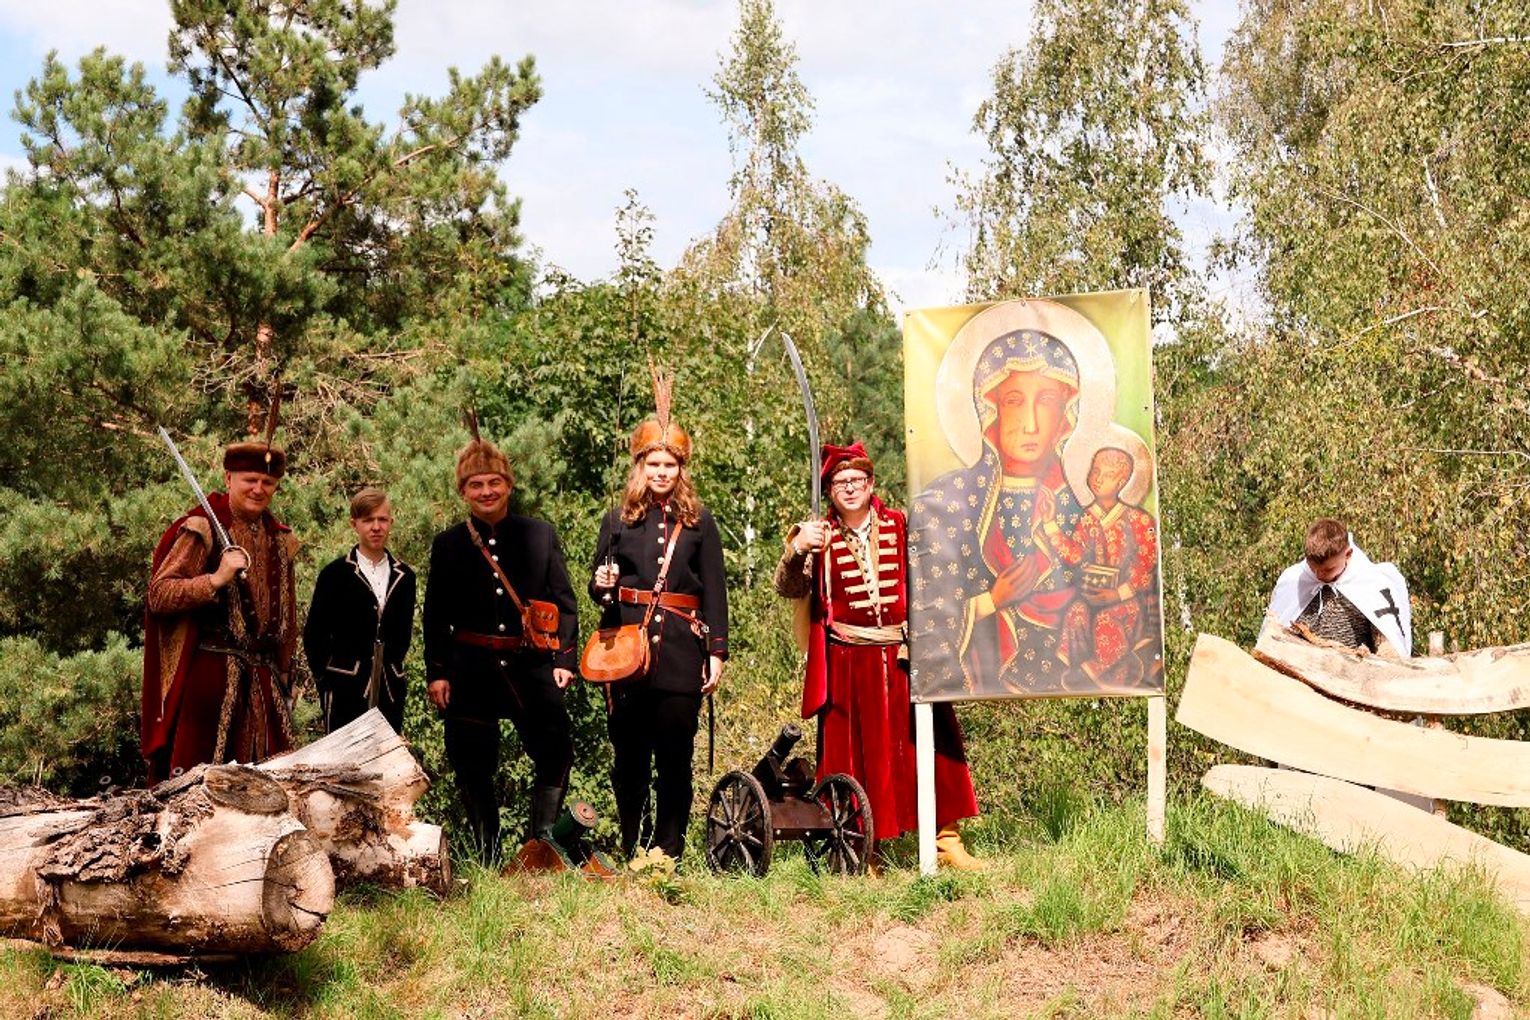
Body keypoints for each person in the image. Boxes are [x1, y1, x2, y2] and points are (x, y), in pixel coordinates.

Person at [775, 442, 983, 869]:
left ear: (871, 484)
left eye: (857, 480)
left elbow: (938, 571)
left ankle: (946, 840)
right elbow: (789, 588)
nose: (850, 488)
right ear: (830, 491)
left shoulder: (900, 524)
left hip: (907, 655)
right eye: (840, 483)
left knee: (931, 744)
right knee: (858, 757)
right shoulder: (818, 536)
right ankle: (864, 848)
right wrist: (797, 549)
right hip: (850, 661)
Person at [422, 432, 578, 863]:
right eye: (476, 485)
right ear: (463, 492)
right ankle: (488, 857)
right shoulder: (448, 544)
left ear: (508, 485)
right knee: (471, 762)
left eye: (494, 482)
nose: (486, 491)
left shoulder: (539, 535)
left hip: (531, 664)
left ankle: (540, 848)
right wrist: (438, 672)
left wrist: (564, 659)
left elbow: (564, 601)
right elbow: (435, 614)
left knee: (556, 750)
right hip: (470, 668)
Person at [911, 330, 1087, 696]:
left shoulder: (1082, 506)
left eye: (1046, 400)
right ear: (989, 409)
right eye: (1014, 400)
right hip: (977, 695)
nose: (1031, 424)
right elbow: (928, 616)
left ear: (1066, 413)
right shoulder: (946, 504)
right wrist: (991, 601)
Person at [591, 407, 727, 863]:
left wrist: (716, 652)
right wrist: (602, 583)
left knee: (674, 758)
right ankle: (634, 846)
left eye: (669, 464)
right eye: (654, 464)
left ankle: (667, 853)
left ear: (680, 469)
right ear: (640, 466)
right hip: (625, 652)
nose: (661, 472)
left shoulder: (700, 522)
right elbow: (599, 588)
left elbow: (715, 591)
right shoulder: (616, 520)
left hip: (682, 653)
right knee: (629, 758)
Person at [143, 439, 297, 784]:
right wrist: (215, 579)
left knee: (275, 787)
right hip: (210, 683)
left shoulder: (281, 539)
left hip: (265, 684)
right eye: (250, 480)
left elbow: (288, 619)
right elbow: (160, 595)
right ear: (229, 479)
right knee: (199, 790)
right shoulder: (202, 529)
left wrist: (287, 674)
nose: (258, 489)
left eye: (267, 482)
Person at [1042, 447, 1162, 690]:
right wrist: (1050, 524)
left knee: (1107, 619)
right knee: (1076, 612)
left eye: (1107, 475)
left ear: (1121, 482)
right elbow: (1075, 555)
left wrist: (1117, 594)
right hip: (1094, 596)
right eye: (1095, 471)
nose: (1098, 478)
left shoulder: (1139, 520)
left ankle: (1096, 671)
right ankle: (1067, 669)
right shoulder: (1088, 519)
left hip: (1129, 601)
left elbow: (1146, 565)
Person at [303, 487, 417, 734]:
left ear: (391, 522)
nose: (376, 527)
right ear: (354, 524)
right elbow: (314, 635)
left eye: (382, 519)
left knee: (386, 753)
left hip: (389, 687)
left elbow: (403, 636)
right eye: (368, 520)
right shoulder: (334, 574)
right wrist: (327, 680)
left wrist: (392, 668)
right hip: (344, 687)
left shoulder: (405, 576)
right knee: (344, 756)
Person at [1266, 517, 1411, 659]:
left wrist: (1386, 659)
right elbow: (1274, 632)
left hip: (1351, 671)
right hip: (1295, 668)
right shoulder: (1293, 581)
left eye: (1328, 569)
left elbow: (1387, 644)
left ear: (1348, 554)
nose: (1319, 575)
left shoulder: (1372, 584)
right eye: (1313, 568)